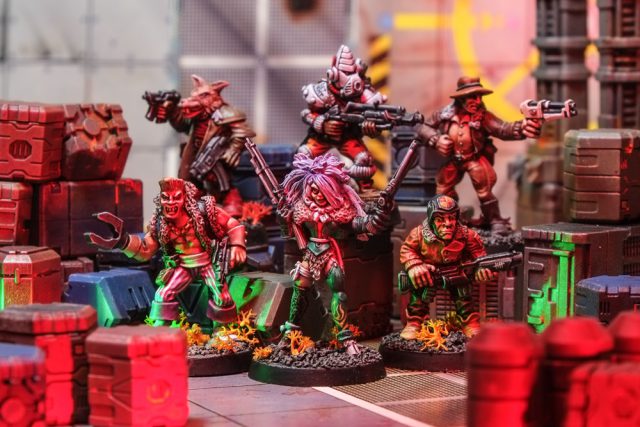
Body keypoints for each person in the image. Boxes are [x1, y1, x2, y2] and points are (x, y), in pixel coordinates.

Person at [89, 177, 246, 326]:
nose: (170, 203)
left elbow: (232, 224)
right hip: (183, 266)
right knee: (163, 294)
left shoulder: (203, 212)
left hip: (207, 262)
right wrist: (123, 242)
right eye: (166, 198)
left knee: (222, 296)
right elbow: (145, 250)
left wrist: (237, 245)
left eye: (176, 197)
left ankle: (223, 332)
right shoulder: (160, 223)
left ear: (185, 198)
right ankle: (162, 329)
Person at [278, 153, 388, 353]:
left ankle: (345, 337)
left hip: (330, 253)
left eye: (323, 191)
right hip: (310, 253)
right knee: (300, 288)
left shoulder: (341, 211)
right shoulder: (301, 209)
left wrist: (375, 221)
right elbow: (288, 233)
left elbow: (359, 225)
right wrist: (283, 219)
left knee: (339, 290)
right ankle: (291, 331)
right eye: (314, 190)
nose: (318, 195)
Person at [416, 76, 542, 233]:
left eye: (479, 96)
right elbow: (422, 128)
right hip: (453, 160)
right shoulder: (444, 114)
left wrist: (522, 127)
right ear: (461, 98)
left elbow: (503, 129)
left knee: (484, 191)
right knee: (443, 190)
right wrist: (436, 140)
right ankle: (449, 218)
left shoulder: (483, 116)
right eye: (472, 97)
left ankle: (494, 220)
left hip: (474, 159)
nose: (477, 101)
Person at [144, 75, 256, 216]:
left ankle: (230, 201)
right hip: (195, 153)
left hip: (218, 155)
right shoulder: (197, 115)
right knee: (189, 180)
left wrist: (233, 149)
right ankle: (195, 207)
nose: (195, 100)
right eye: (195, 96)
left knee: (219, 182)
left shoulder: (226, 113)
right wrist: (172, 112)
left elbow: (243, 131)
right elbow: (182, 125)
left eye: (203, 96)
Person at [399, 195, 494, 339]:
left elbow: (480, 256)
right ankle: (414, 322)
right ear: (431, 220)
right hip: (429, 273)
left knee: (464, 295)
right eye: (440, 219)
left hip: (457, 272)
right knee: (419, 295)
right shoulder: (419, 234)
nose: (448, 224)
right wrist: (414, 265)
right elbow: (407, 249)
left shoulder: (467, 235)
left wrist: (482, 269)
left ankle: (470, 323)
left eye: (452, 218)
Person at [298, 45, 387, 190]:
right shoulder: (322, 92)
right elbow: (306, 114)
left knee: (364, 160)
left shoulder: (362, 93)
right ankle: (305, 190)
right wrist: (321, 124)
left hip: (347, 137)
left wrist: (372, 128)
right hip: (321, 138)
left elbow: (374, 117)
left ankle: (363, 189)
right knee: (303, 156)